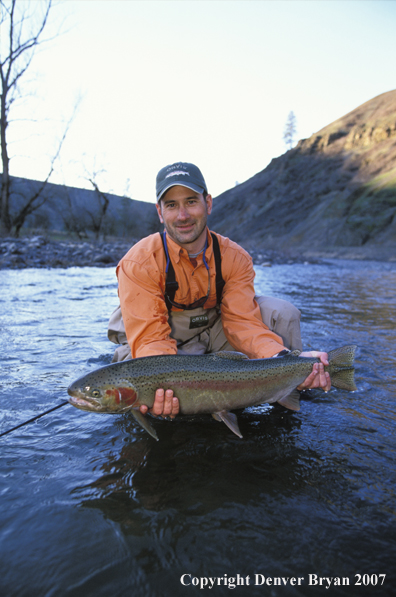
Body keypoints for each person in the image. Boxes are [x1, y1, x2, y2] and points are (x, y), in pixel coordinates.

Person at [108, 162, 331, 420]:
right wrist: (162, 387)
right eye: (171, 205)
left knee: (284, 312)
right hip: (161, 331)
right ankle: (221, 384)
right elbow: (150, 339)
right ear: (160, 212)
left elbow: (242, 321)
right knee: (145, 395)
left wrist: (282, 358)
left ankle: (289, 383)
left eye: (191, 201)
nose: (182, 215)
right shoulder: (139, 261)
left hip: (216, 323)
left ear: (208, 204)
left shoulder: (234, 257)